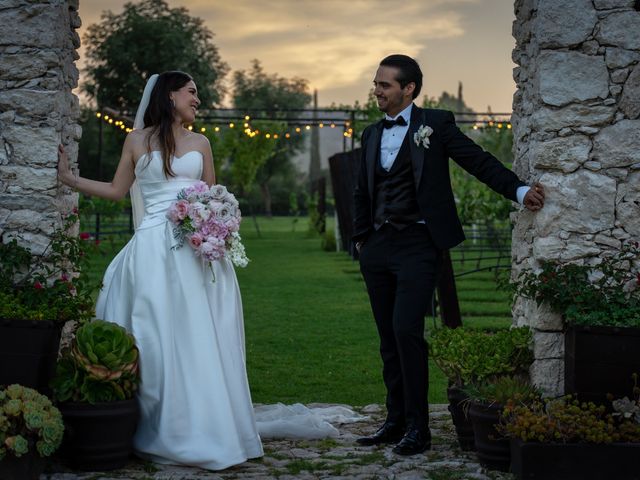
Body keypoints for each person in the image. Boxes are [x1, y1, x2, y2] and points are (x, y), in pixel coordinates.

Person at [57, 71, 264, 470]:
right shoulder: (136, 141)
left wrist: (216, 226)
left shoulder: (201, 143)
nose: (197, 100)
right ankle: (157, 425)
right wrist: (69, 179)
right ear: (170, 96)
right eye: (192, 92)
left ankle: (207, 424)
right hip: (152, 249)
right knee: (155, 334)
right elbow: (118, 191)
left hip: (196, 251)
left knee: (198, 336)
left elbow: (213, 197)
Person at [352, 54, 545, 456]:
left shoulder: (435, 125)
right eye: (376, 83)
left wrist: (519, 190)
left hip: (419, 245)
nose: (377, 90)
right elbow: (361, 191)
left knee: (407, 330)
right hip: (378, 247)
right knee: (388, 337)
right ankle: (395, 420)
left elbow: (478, 162)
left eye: (384, 85)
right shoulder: (370, 134)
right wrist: (361, 240)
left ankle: (418, 429)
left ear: (408, 89)